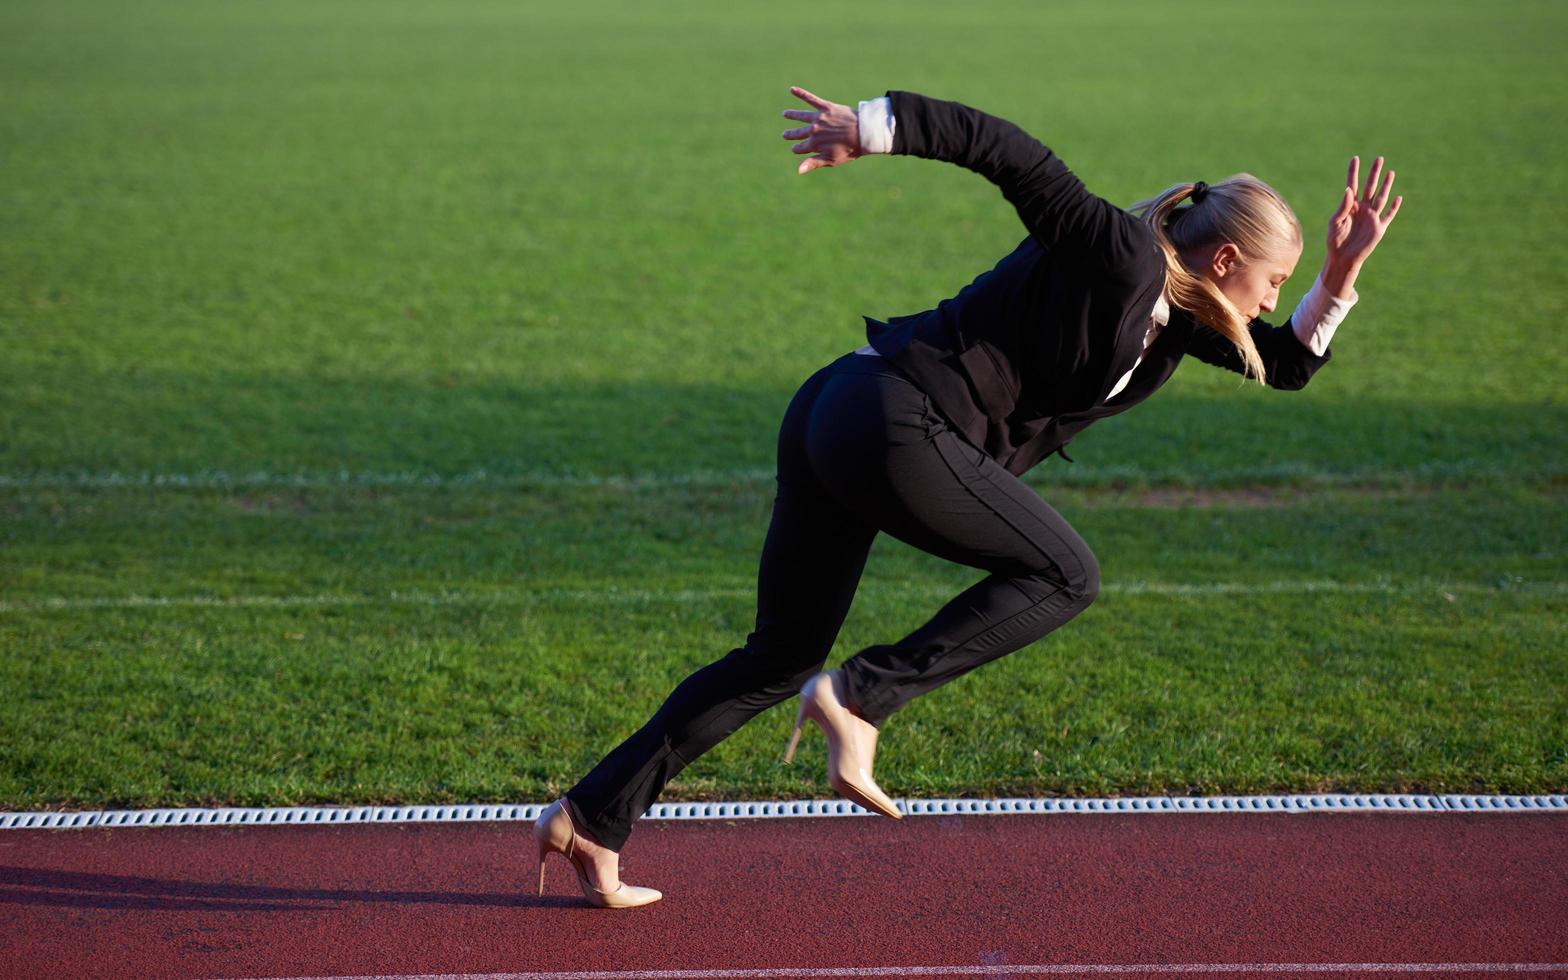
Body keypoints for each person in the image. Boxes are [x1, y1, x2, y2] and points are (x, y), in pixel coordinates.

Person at [534, 85, 1402, 908]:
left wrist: (1341, 268)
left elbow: (1283, 365)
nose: (1271, 301)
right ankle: (862, 697)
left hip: (839, 409)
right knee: (1068, 574)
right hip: (895, 423)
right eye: (1275, 282)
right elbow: (1007, 152)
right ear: (1226, 259)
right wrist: (869, 127)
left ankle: (592, 819)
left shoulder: (1179, 312)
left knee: (779, 655)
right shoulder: (1120, 251)